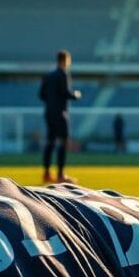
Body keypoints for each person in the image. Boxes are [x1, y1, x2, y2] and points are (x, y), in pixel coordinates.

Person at [39, 50, 81, 183]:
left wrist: (51, 101)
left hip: (49, 113)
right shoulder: (62, 74)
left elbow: (41, 95)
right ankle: (60, 175)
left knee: (50, 142)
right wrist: (76, 95)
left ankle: (46, 174)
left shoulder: (48, 75)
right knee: (64, 142)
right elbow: (65, 93)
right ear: (65, 60)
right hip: (60, 113)